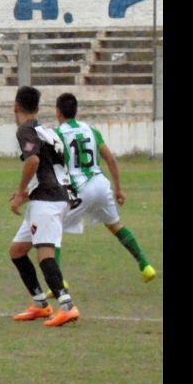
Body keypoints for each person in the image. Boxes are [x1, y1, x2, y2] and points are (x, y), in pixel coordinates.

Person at [54, 92, 156, 282]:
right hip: (101, 185)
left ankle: (57, 282)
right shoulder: (92, 131)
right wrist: (118, 189)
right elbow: (111, 160)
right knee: (115, 226)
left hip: (81, 188)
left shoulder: (58, 135)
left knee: (53, 228)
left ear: (58, 112)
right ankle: (145, 265)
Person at [8, 86, 80, 327]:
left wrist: (20, 193)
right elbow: (52, 167)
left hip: (47, 201)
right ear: (37, 108)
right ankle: (40, 304)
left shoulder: (25, 130)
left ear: (16, 106)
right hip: (54, 196)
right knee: (17, 250)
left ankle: (67, 305)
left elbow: (34, 161)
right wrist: (30, 191)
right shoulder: (47, 131)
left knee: (44, 254)